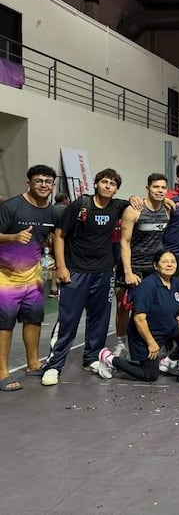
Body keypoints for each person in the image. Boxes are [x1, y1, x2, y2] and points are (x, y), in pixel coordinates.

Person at [41, 169, 132, 386]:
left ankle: (92, 358)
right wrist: (61, 267)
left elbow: (136, 203)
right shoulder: (79, 205)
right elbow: (59, 236)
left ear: (116, 189)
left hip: (103, 272)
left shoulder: (117, 206)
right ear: (96, 184)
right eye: (104, 182)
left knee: (100, 319)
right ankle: (54, 365)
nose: (108, 186)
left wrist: (136, 198)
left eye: (112, 184)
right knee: (68, 319)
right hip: (76, 271)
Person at [96, 250, 179, 382]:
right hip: (146, 335)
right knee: (150, 375)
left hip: (168, 329)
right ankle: (109, 359)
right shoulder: (147, 286)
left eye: (173, 261)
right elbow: (139, 319)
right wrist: (151, 343)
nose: (170, 265)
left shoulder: (175, 282)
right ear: (156, 266)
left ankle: (169, 361)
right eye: (165, 262)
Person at [0, 165, 58, 391]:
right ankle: (2, 372)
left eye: (48, 181)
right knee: (4, 323)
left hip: (34, 277)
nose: (43, 185)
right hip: (5, 277)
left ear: (53, 185)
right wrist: (13, 237)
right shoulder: (12, 207)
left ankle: (33, 364)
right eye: (38, 180)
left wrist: (53, 257)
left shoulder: (52, 212)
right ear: (29, 183)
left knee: (33, 319)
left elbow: (52, 239)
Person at [114, 173, 170, 358]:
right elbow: (124, 242)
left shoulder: (167, 208)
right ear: (148, 188)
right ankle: (120, 344)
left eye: (163, 187)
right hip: (132, 266)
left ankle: (149, 343)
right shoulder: (134, 210)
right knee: (124, 306)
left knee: (151, 307)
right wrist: (128, 272)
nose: (159, 190)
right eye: (156, 187)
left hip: (153, 268)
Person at [48, 192, 70, 298]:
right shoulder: (67, 209)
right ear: (65, 199)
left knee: (54, 264)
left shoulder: (50, 209)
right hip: (65, 240)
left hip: (52, 240)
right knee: (64, 262)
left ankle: (53, 289)